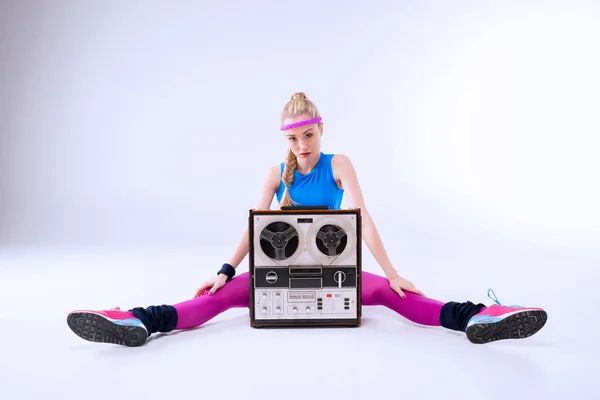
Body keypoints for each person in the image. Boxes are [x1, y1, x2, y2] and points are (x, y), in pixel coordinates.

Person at [66, 92, 548, 347]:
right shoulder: (277, 172)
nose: (303, 147)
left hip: (334, 269)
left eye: (309, 136)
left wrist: (393, 270)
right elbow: (254, 227)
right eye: (295, 140)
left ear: (321, 130)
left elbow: (363, 216)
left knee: (391, 294)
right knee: (218, 300)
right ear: (286, 141)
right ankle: (138, 322)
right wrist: (225, 270)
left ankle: (477, 318)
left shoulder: (339, 164)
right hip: (280, 269)